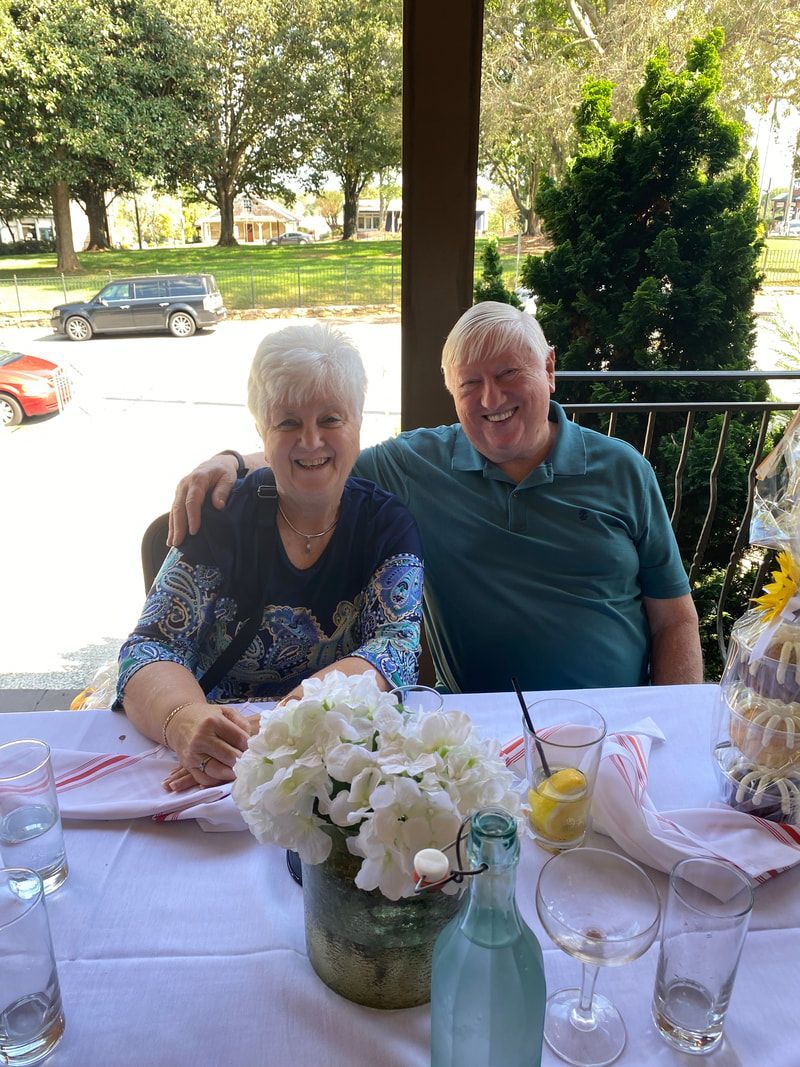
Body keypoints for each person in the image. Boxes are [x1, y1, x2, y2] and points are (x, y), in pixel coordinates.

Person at [169, 302, 702, 694]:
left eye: (509, 373)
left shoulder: (624, 469)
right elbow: (320, 450)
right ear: (451, 392)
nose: (491, 399)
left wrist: (674, 716)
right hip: (486, 723)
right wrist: (232, 460)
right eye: (470, 384)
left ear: (549, 369)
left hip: (617, 721)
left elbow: (674, 619)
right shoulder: (417, 465)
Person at [117, 323, 423, 791]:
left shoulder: (386, 523)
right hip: (217, 754)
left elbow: (396, 649)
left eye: (330, 419)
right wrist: (183, 719)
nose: (311, 441)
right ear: (262, 431)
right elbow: (151, 646)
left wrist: (292, 721)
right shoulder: (220, 517)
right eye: (287, 423)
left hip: (334, 748)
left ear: (359, 425)